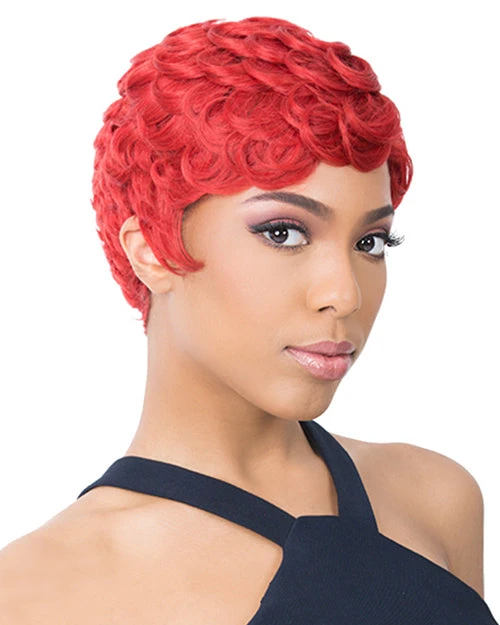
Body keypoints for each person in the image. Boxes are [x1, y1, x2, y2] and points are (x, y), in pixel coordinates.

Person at [0, 16, 497, 624]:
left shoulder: (436, 498)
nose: (344, 294)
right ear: (151, 250)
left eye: (370, 242)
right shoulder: (35, 592)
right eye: (283, 232)